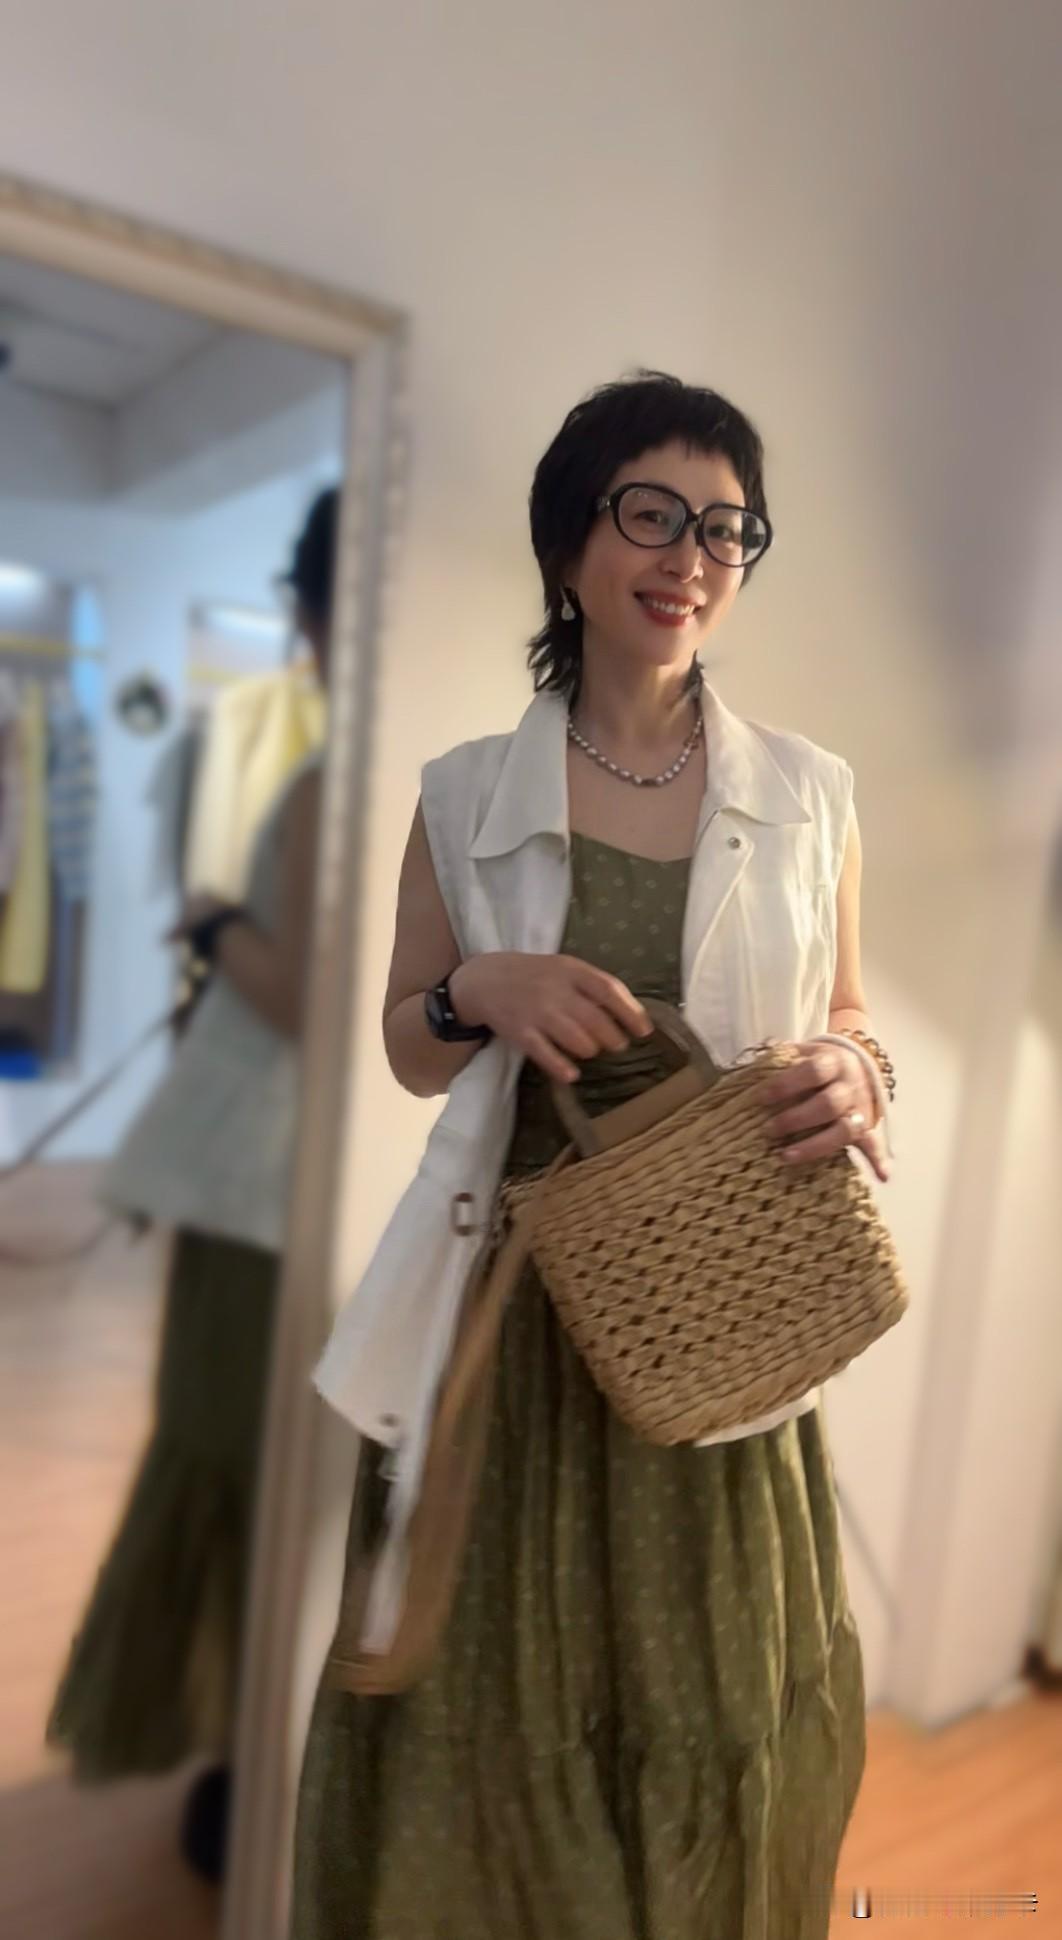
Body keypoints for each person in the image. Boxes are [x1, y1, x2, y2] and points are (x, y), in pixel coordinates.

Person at [293, 374, 894, 1940]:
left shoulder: (811, 795)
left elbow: (846, 1017)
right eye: (649, 513)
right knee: (488, 1709)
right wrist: (474, 990)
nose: (688, 555)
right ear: (569, 541)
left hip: (720, 1318)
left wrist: (853, 1070)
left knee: (715, 1708)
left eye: (724, 529)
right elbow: (408, 1042)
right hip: (514, 1331)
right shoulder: (460, 795)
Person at [47, 486, 340, 1885]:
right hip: (292, 1186)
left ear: (310, 610)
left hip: (266, 1188)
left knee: (232, 1468)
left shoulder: (336, 782)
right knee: (265, 1475)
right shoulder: (409, 772)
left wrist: (219, 925)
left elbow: (314, 1001)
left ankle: (246, 1757)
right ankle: (258, 1750)